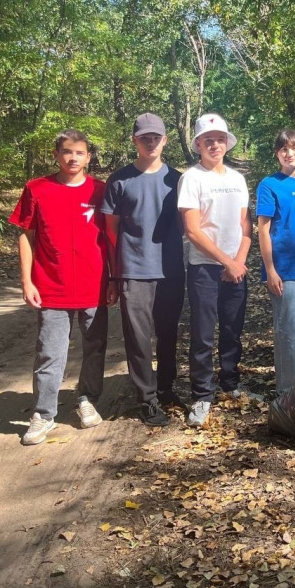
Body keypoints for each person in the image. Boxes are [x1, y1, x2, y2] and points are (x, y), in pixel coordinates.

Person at [9, 129, 116, 446]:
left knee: (95, 349)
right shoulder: (37, 189)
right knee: (49, 353)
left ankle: (87, 399)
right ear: (57, 155)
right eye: (67, 152)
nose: (73, 158)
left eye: (80, 152)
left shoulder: (101, 190)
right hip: (51, 288)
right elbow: (25, 235)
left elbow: (111, 238)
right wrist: (27, 280)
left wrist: (114, 279)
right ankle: (43, 415)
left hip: (93, 286)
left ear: (88, 157)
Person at [102, 113, 185, 427]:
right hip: (135, 269)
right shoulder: (120, 180)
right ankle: (147, 400)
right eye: (144, 137)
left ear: (165, 140)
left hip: (171, 269)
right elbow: (111, 230)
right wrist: (114, 273)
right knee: (138, 337)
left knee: (168, 333)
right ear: (135, 140)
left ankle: (165, 388)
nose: (150, 142)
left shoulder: (177, 180)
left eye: (156, 137)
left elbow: (192, 223)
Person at [177, 113, 251, 427]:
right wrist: (227, 262)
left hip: (235, 267)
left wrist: (238, 262)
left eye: (219, 139)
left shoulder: (237, 178)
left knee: (233, 330)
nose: (214, 144)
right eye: (208, 139)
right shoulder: (191, 178)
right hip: (205, 269)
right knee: (204, 333)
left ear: (226, 143)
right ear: (198, 144)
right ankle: (202, 394)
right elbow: (193, 231)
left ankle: (231, 384)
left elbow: (245, 226)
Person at [256, 129, 295, 393]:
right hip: (283, 269)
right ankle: (287, 392)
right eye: (283, 149)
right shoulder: (269, 185)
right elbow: (263, 229)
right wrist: (270, 269)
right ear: (277, 155)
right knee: (288, 330)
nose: (289, 153)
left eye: (294, 148)